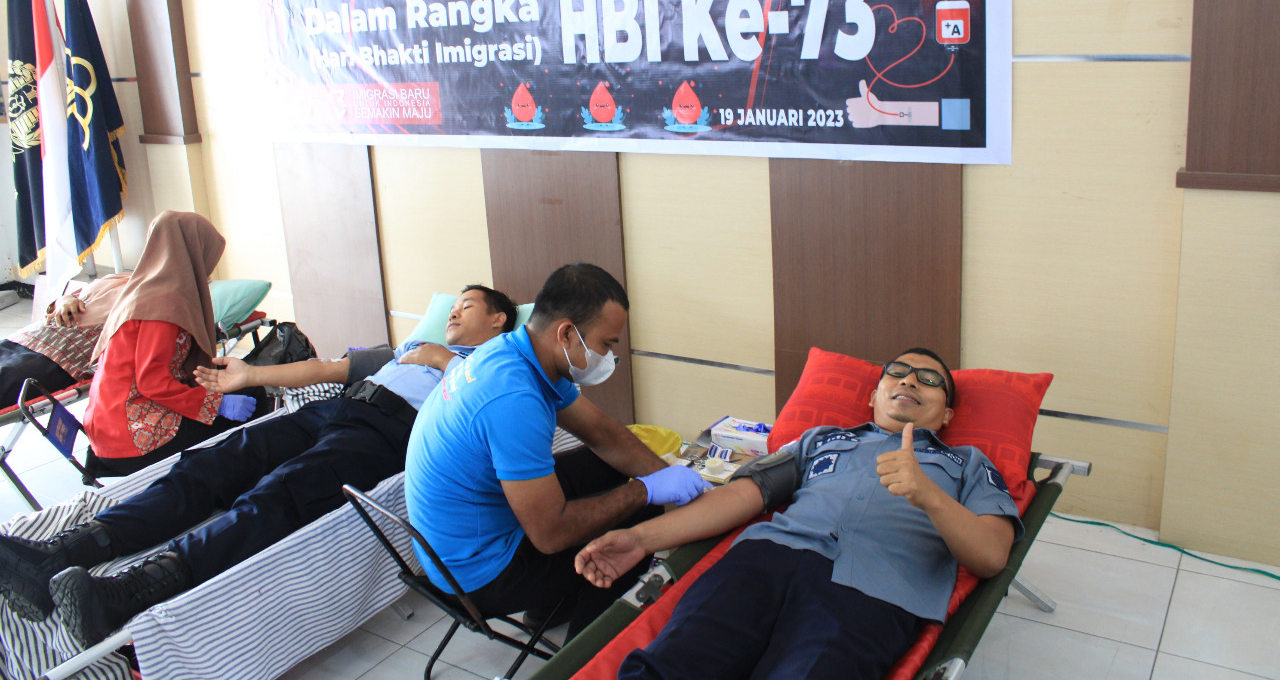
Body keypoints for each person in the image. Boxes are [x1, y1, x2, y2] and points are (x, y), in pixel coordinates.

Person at [0, 284, 517, 652]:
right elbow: (326, 368)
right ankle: (69, 550)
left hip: (386, 433)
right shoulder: (409, 347)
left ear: (498, 320)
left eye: (468, 305)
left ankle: (127, 593)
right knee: (212, 464)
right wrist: (251, 375)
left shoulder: (498, 366)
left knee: (279, 495)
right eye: (453, 304)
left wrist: (445, 361)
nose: (453, 311)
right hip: (333, 407)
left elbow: (490, 413)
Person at [574, 349, 1024, 680]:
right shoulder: (821, 439)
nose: (909, 381)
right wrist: (642, 539)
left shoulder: (969, 464)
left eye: (928, 380)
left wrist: (929, 496)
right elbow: (745, 495)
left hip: (872, 592)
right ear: (873, 397)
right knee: (670, 666)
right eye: (897, 372)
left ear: (946, 414)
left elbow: (990, 556)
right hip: (762, 564)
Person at [405, 263, 710, 640]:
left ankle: (550, 607)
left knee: (607, 465)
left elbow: (603, 434)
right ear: (566, 333)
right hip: (477, 573)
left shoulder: (516, 353)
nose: (608, 356)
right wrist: (646, 491)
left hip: (465, 532)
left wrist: (668, 476)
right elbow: (550, 535)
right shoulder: (514, 397)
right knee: (635, 523)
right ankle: (584, 654)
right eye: (606, 344)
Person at [81, 211, 255, 476]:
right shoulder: (164, 304)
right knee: (254, 401)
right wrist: (216, 404)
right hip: (130, 438)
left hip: (109, 428)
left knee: (234, 387)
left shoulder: (144, 287)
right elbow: (152, 382)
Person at [0, 272, 130, 409]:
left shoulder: (143, 298)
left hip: (56, 358)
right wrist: (65, 301)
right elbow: (65, 299)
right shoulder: (114, 278)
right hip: (24, 338)